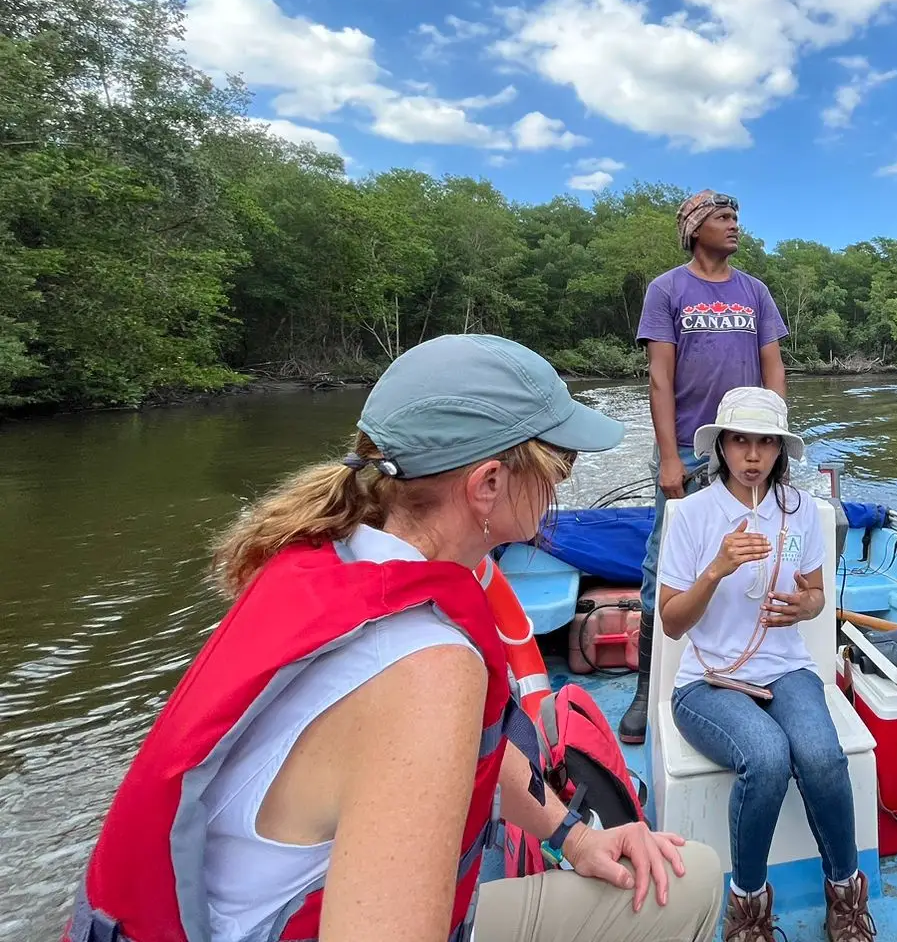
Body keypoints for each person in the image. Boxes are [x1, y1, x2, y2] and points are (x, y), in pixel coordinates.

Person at [66, 334, 724, 942]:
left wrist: (572, 837)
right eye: (561, 462)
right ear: (488, 485)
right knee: (688, 882)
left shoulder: (321, 558)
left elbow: (473, 752)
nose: (563, 482)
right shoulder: (426, 670)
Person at [657, 387, 876, 942]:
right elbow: (672, 623)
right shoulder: (694, 515)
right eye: (740, 440)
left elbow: (816, 595)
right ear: (721, 446)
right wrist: (716, 569)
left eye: (765, 443)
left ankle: (846, 895)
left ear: (780, 450)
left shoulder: (798, 512)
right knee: (767, 757)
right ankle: (748, 905)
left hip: (784, 667)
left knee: (823, 757)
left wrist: (806, 605)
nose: (752, 455)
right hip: (708, 681)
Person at [622, 189, 788, 744]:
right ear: (695, 228)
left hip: (746, 443)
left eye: (736, 216)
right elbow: (660, 377)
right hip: (689, 447)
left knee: (757, 544)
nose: (734, 224)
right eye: (723, 217)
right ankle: (648, 686)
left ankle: (750, 663)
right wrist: (670, 456)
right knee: (663, 559)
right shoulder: (667, 289)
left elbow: (773, 367)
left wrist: (776, 436)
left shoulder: (755, 291)